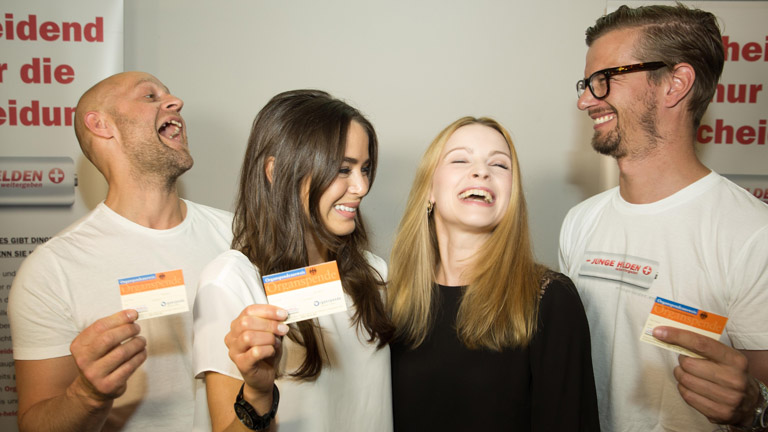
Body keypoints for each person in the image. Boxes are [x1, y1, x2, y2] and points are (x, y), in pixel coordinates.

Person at [560, 4, 768, 431]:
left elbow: (759, 394)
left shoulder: (753, 235)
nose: (585, 100)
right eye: (586, 83)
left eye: (604, 80)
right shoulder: (579, 222)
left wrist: (756, 407)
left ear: (675, 84)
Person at [8, 71, 233, 432]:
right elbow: (35, 423)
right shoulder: (52, 271)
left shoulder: (242, 236)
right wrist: (88, 395)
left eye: (169, 94)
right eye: (149, 96)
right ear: (101, 125)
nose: (176, 102)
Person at [192, 89, 393, 432]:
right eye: (343, 169)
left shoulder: (373, 273)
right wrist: (257, 392)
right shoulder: (231, 282)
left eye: (365, 168)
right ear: (276, 170)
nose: (361, 186)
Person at [388, 116, 600, 431]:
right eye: (460, 159)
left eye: (499, 165)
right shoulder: (388, 300)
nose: (481, 171)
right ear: (428, 190)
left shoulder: (550, 299)